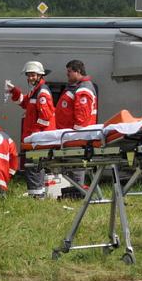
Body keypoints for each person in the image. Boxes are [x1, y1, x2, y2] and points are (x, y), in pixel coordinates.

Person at [5, 61, 56, 197]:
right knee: (35, 166)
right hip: (35, 137)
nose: (30, 78)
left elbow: (45, 118)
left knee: (34, 166)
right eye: (28, 75)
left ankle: (36, 196)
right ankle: (39, 193)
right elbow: (23, 102)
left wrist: (33, 132)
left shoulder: (42, 93)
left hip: (38, 137)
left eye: (33, 75)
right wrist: (14, 91)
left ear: (40, 75)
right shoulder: (36, 91)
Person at [55, 59, 98, 187]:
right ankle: (74, 189)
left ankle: (77, 189)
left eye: (69, 72)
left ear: (78, 71)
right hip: (71, 134)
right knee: (72, 162)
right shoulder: (78, 88)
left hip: (75, 135)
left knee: (75, 161)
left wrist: (74, 134)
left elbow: (82, 116)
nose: (67, 75)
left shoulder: (83, 90)